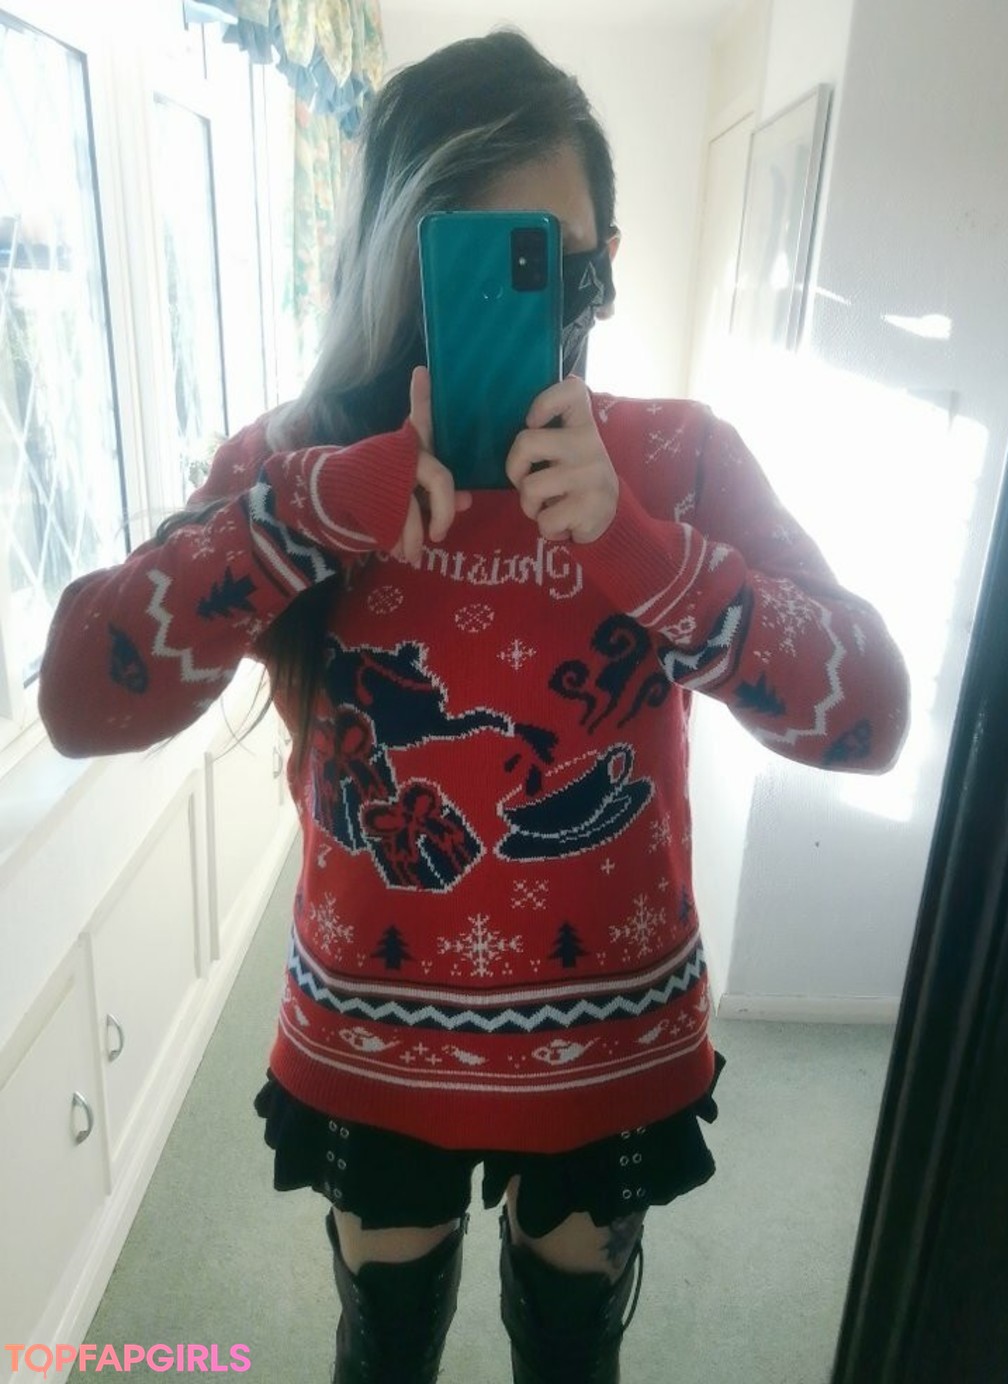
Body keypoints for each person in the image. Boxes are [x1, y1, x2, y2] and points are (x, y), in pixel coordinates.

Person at [38, 29, 909, 1384]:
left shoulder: (676, 461)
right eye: (464, 261)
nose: (523, 299)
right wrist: (305, 512)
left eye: (554, 259)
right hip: (370, 1036)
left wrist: (642, 550)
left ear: (608, 262)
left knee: (570, 1355)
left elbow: (869, 716)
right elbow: (84, 701)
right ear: (394, 265)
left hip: (608, 1038)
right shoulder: (298, 462)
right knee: (384, 1352)